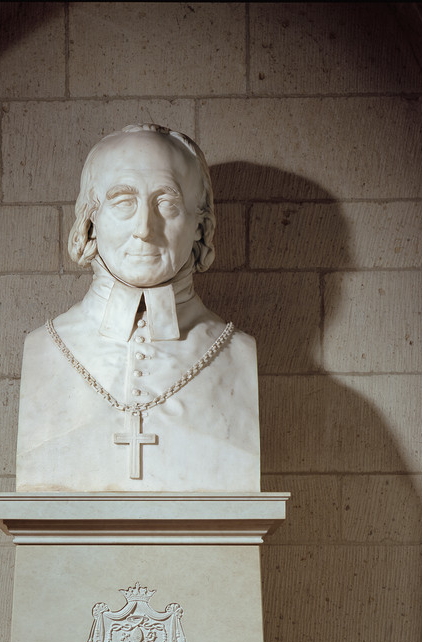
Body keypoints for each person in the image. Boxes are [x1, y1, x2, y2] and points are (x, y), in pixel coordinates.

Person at [15, 124, 260, 492]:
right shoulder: (45, 349)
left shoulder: (236, 353)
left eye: (166, 203)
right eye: (124, 202)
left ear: (200, 225)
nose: (145, 228)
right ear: (91, 220)